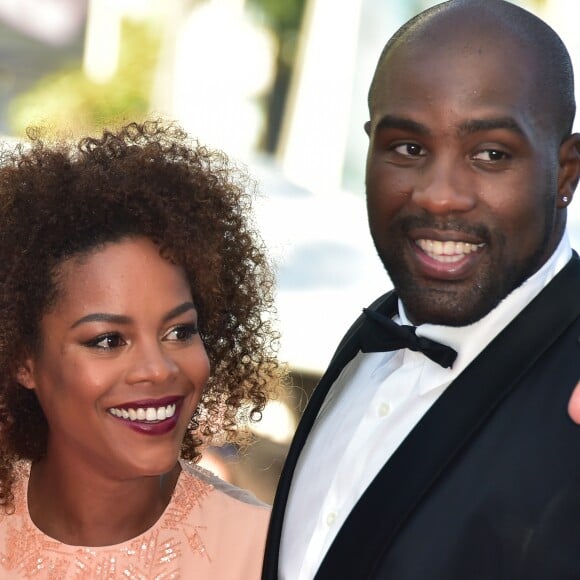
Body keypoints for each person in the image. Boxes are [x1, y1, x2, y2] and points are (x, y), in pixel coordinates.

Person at [261, 1, 580, 579]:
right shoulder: (368, 339)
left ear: (564, 173)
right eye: (408, 148)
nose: (439, 195)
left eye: (491, 154)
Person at [0, 120, 284, 579]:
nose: (158, 369)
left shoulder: (265, 553)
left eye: (179, 332)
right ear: (21, 361)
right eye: (108, 340)